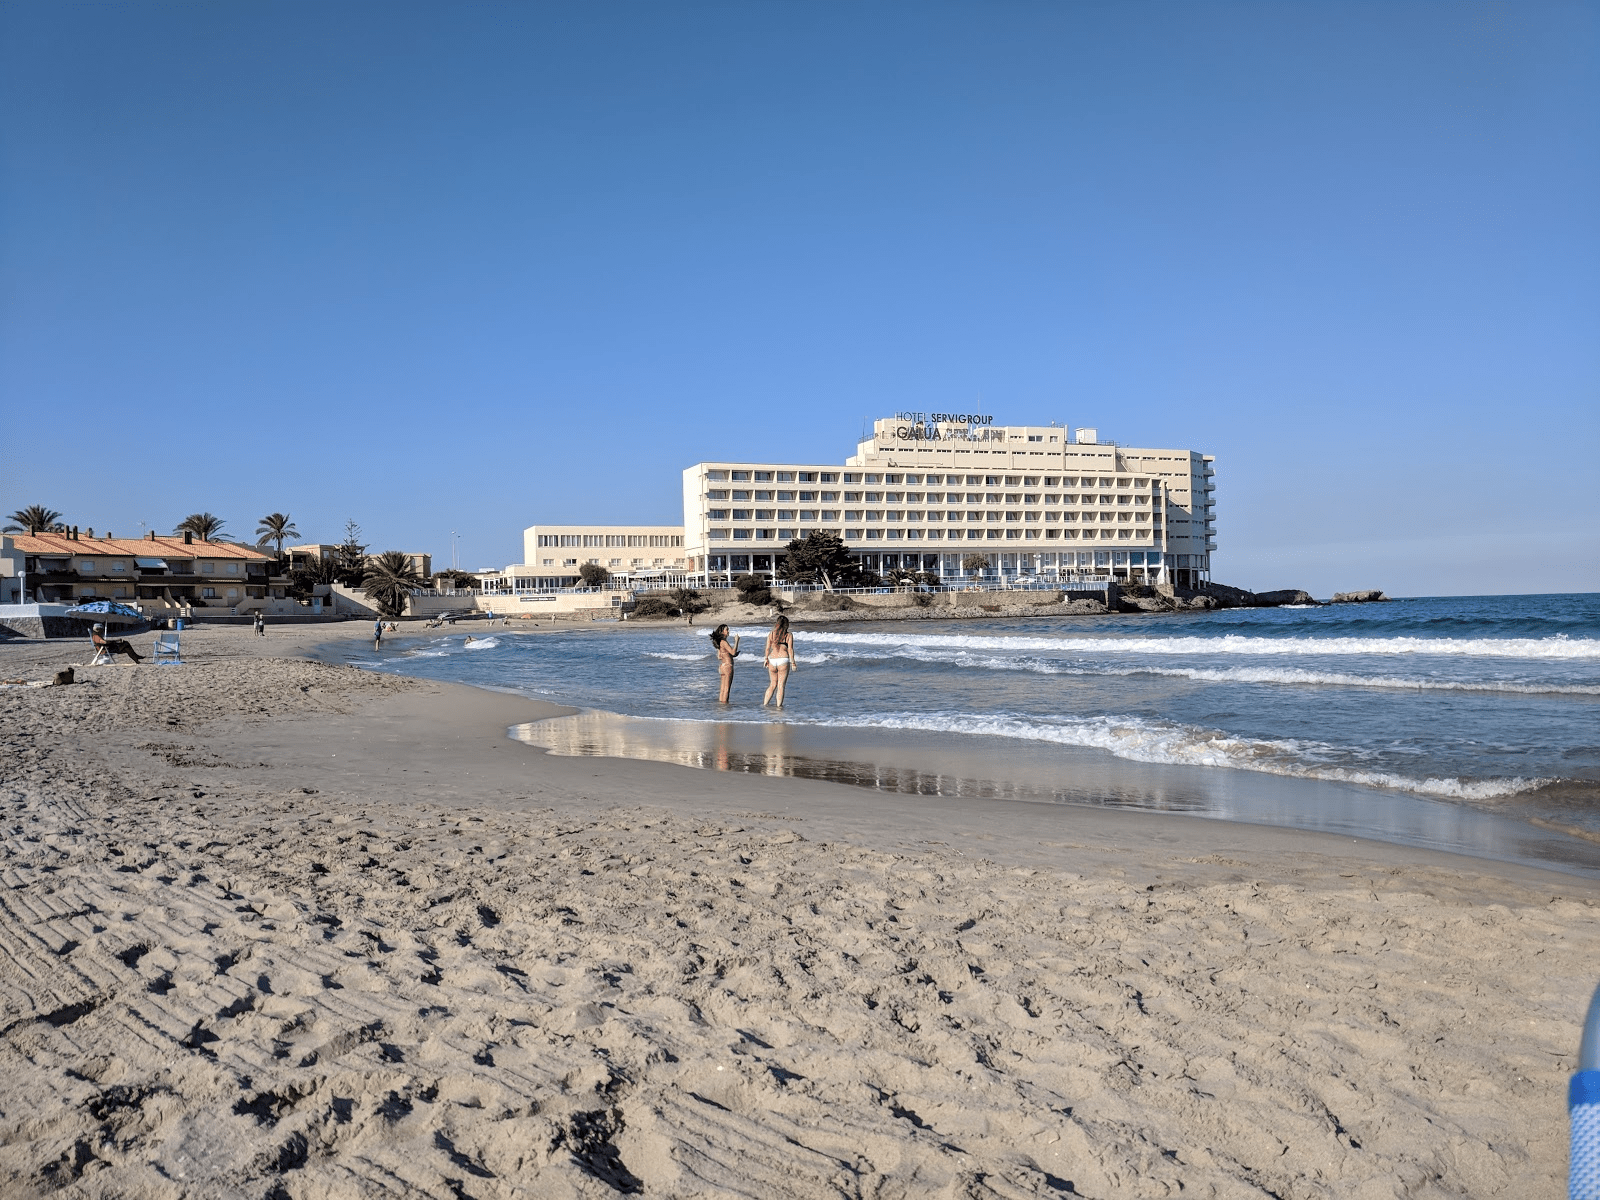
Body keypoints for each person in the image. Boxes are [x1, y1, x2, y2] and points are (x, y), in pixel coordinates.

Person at [762, 614, 797, 708]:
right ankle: (778, 708)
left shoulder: (771, 634)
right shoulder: (788, 635)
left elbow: (767, 648)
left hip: (772, 660)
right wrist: (793, 663)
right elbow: (790, 649)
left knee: (772, 684)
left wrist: (766, 659)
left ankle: (764, 706)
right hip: (783, 660)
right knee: (781, 686)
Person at [709, 624, 740, 703]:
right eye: (727, 630)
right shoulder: (724, 642)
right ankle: (725, 706)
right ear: (722, 632)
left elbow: (719, 656)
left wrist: (729, 655)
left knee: (722, 689)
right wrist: (737, 641)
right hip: (728, 666)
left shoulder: (720, 642)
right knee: (726, 689)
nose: (728, 631)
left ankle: (721, 706)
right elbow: (733, 652)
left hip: (722, 666)